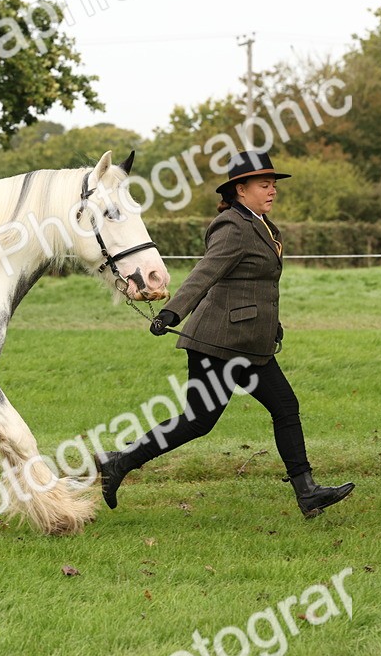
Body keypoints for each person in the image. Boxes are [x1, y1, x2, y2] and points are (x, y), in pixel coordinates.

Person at [96, 150, 355, 518]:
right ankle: (118, 463)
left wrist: (272, 325)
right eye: (264, 185)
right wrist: (172, 312)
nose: (272, 191)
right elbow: (206, 272)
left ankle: (307, 491)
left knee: (278, 407)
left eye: (273, 185)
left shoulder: (262, 224)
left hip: (248, 342)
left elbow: (253, 285)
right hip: (218, 343)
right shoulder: (233, 226)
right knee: (202, 420)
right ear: (240, 189)